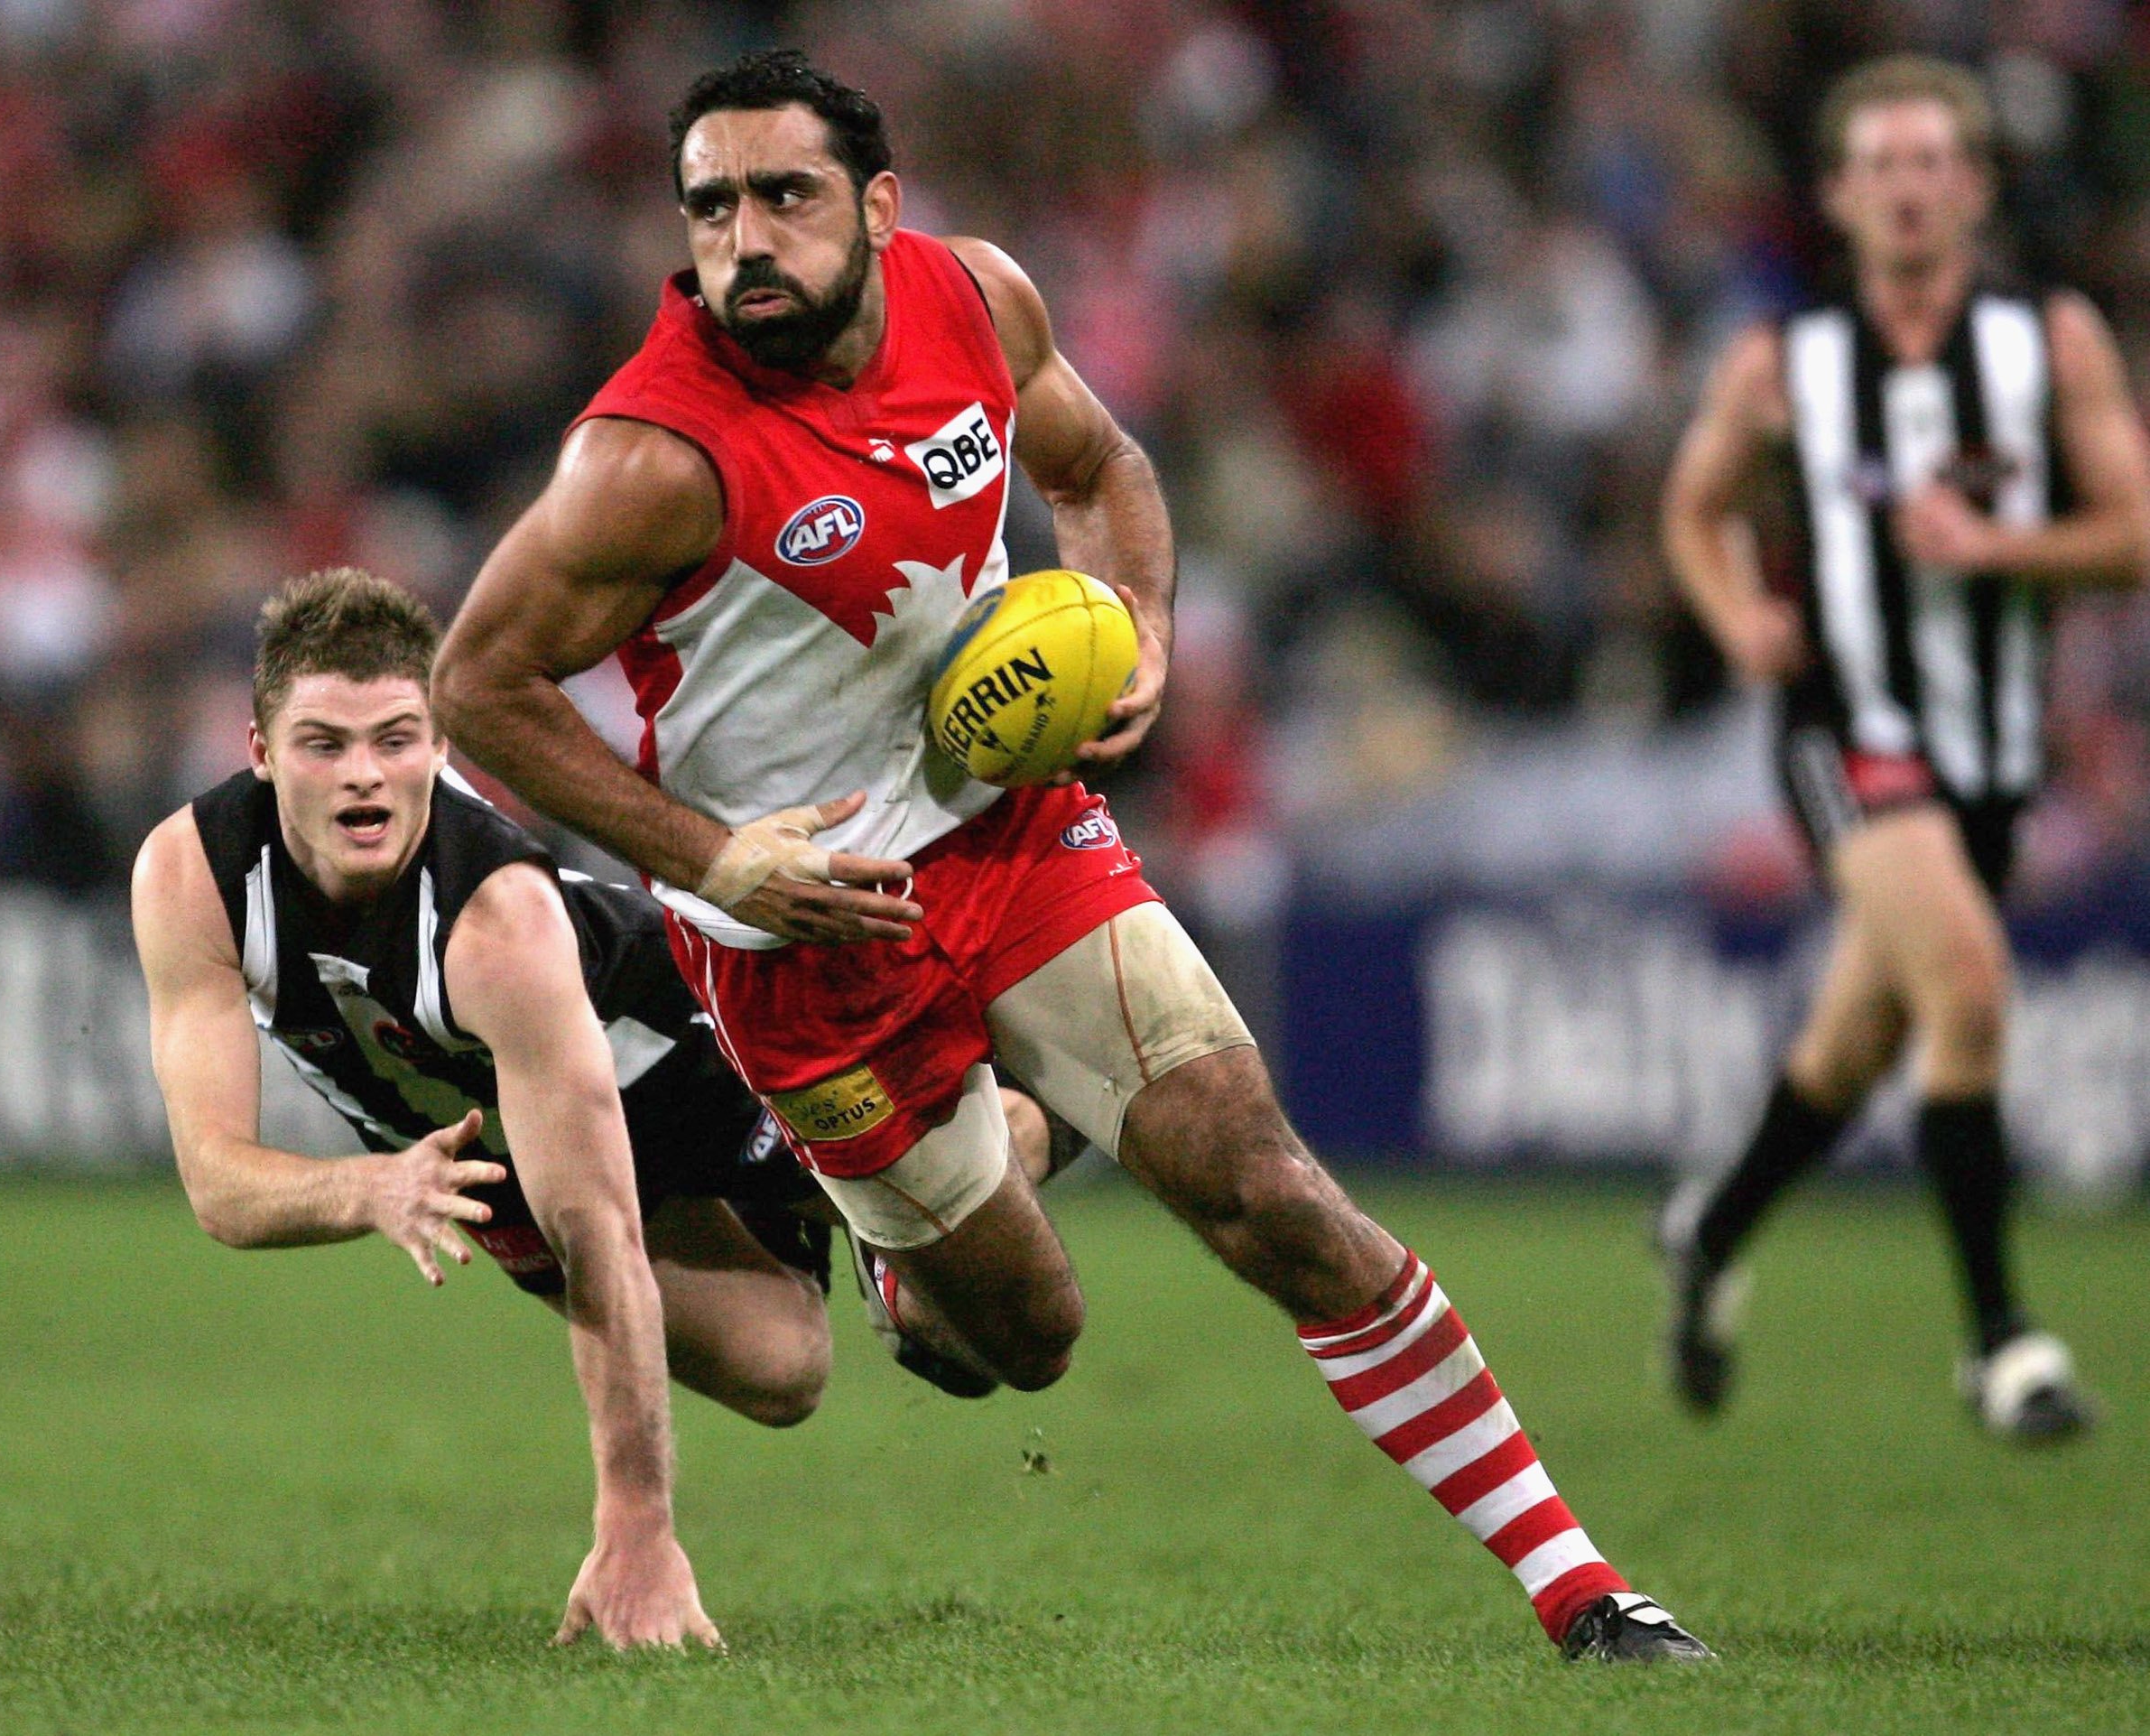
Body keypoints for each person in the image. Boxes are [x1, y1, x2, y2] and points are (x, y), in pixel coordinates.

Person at [434, 48, 1707, 1662]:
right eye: (710, 207)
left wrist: (1145, 630)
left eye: (784, 196)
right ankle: (959, 1226)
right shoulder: (651, 460)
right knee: (1022, 1338)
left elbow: (1096, 467)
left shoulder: (977, 303)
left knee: (1269, 1188)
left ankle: (1583, 1586)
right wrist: (716, 858)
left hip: (1016, 836)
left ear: (879, 206)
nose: (743, 239)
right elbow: (476, 684)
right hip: (804, 941)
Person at [132, 566, 840, 1651]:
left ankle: (1038, 1124)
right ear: (262, 752)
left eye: (397, 739)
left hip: (701, 1055)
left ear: (443, 745)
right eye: (323, 744)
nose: (364, 776)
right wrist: (374, 1185)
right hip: (496, 1146)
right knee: (784, 1373)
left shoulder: (496, 920)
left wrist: (637, 1530)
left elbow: (594, 1224)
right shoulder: (193, 875)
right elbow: (217, 1181)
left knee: (972, 1323)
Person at [1657, 57, 2150, 1441]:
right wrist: (1736, 612)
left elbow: (2135, 532)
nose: (1911, 186)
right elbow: (1690, 510)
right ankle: (2001, 1339)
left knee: (1856, 1039)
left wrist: (2001, 547)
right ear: (1838, 195)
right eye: (1882, 163)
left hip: (1992, 746)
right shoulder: (1784, 360)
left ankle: (1712, 1231)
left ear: (1978, 186)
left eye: (1936, 160)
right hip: (1846, 725)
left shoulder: (2050, 344)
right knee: (1972, 984)